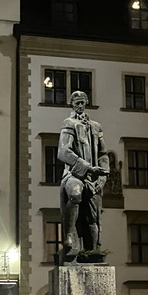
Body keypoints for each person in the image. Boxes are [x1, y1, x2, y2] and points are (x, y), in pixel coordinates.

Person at [57, 90, 109, 263]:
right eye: (76, 102)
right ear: (72, 104)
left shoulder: (96, 126)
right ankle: (69, 237)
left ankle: (92, 249)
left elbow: (103, 154)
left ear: (86, 103)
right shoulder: (69, 123)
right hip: (74, 174)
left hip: (93, 178)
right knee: (75, 193)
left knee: (92, 217)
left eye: (82, 102)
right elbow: (63, 152)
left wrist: (103, 176)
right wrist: (87, 167)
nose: (80, 106)